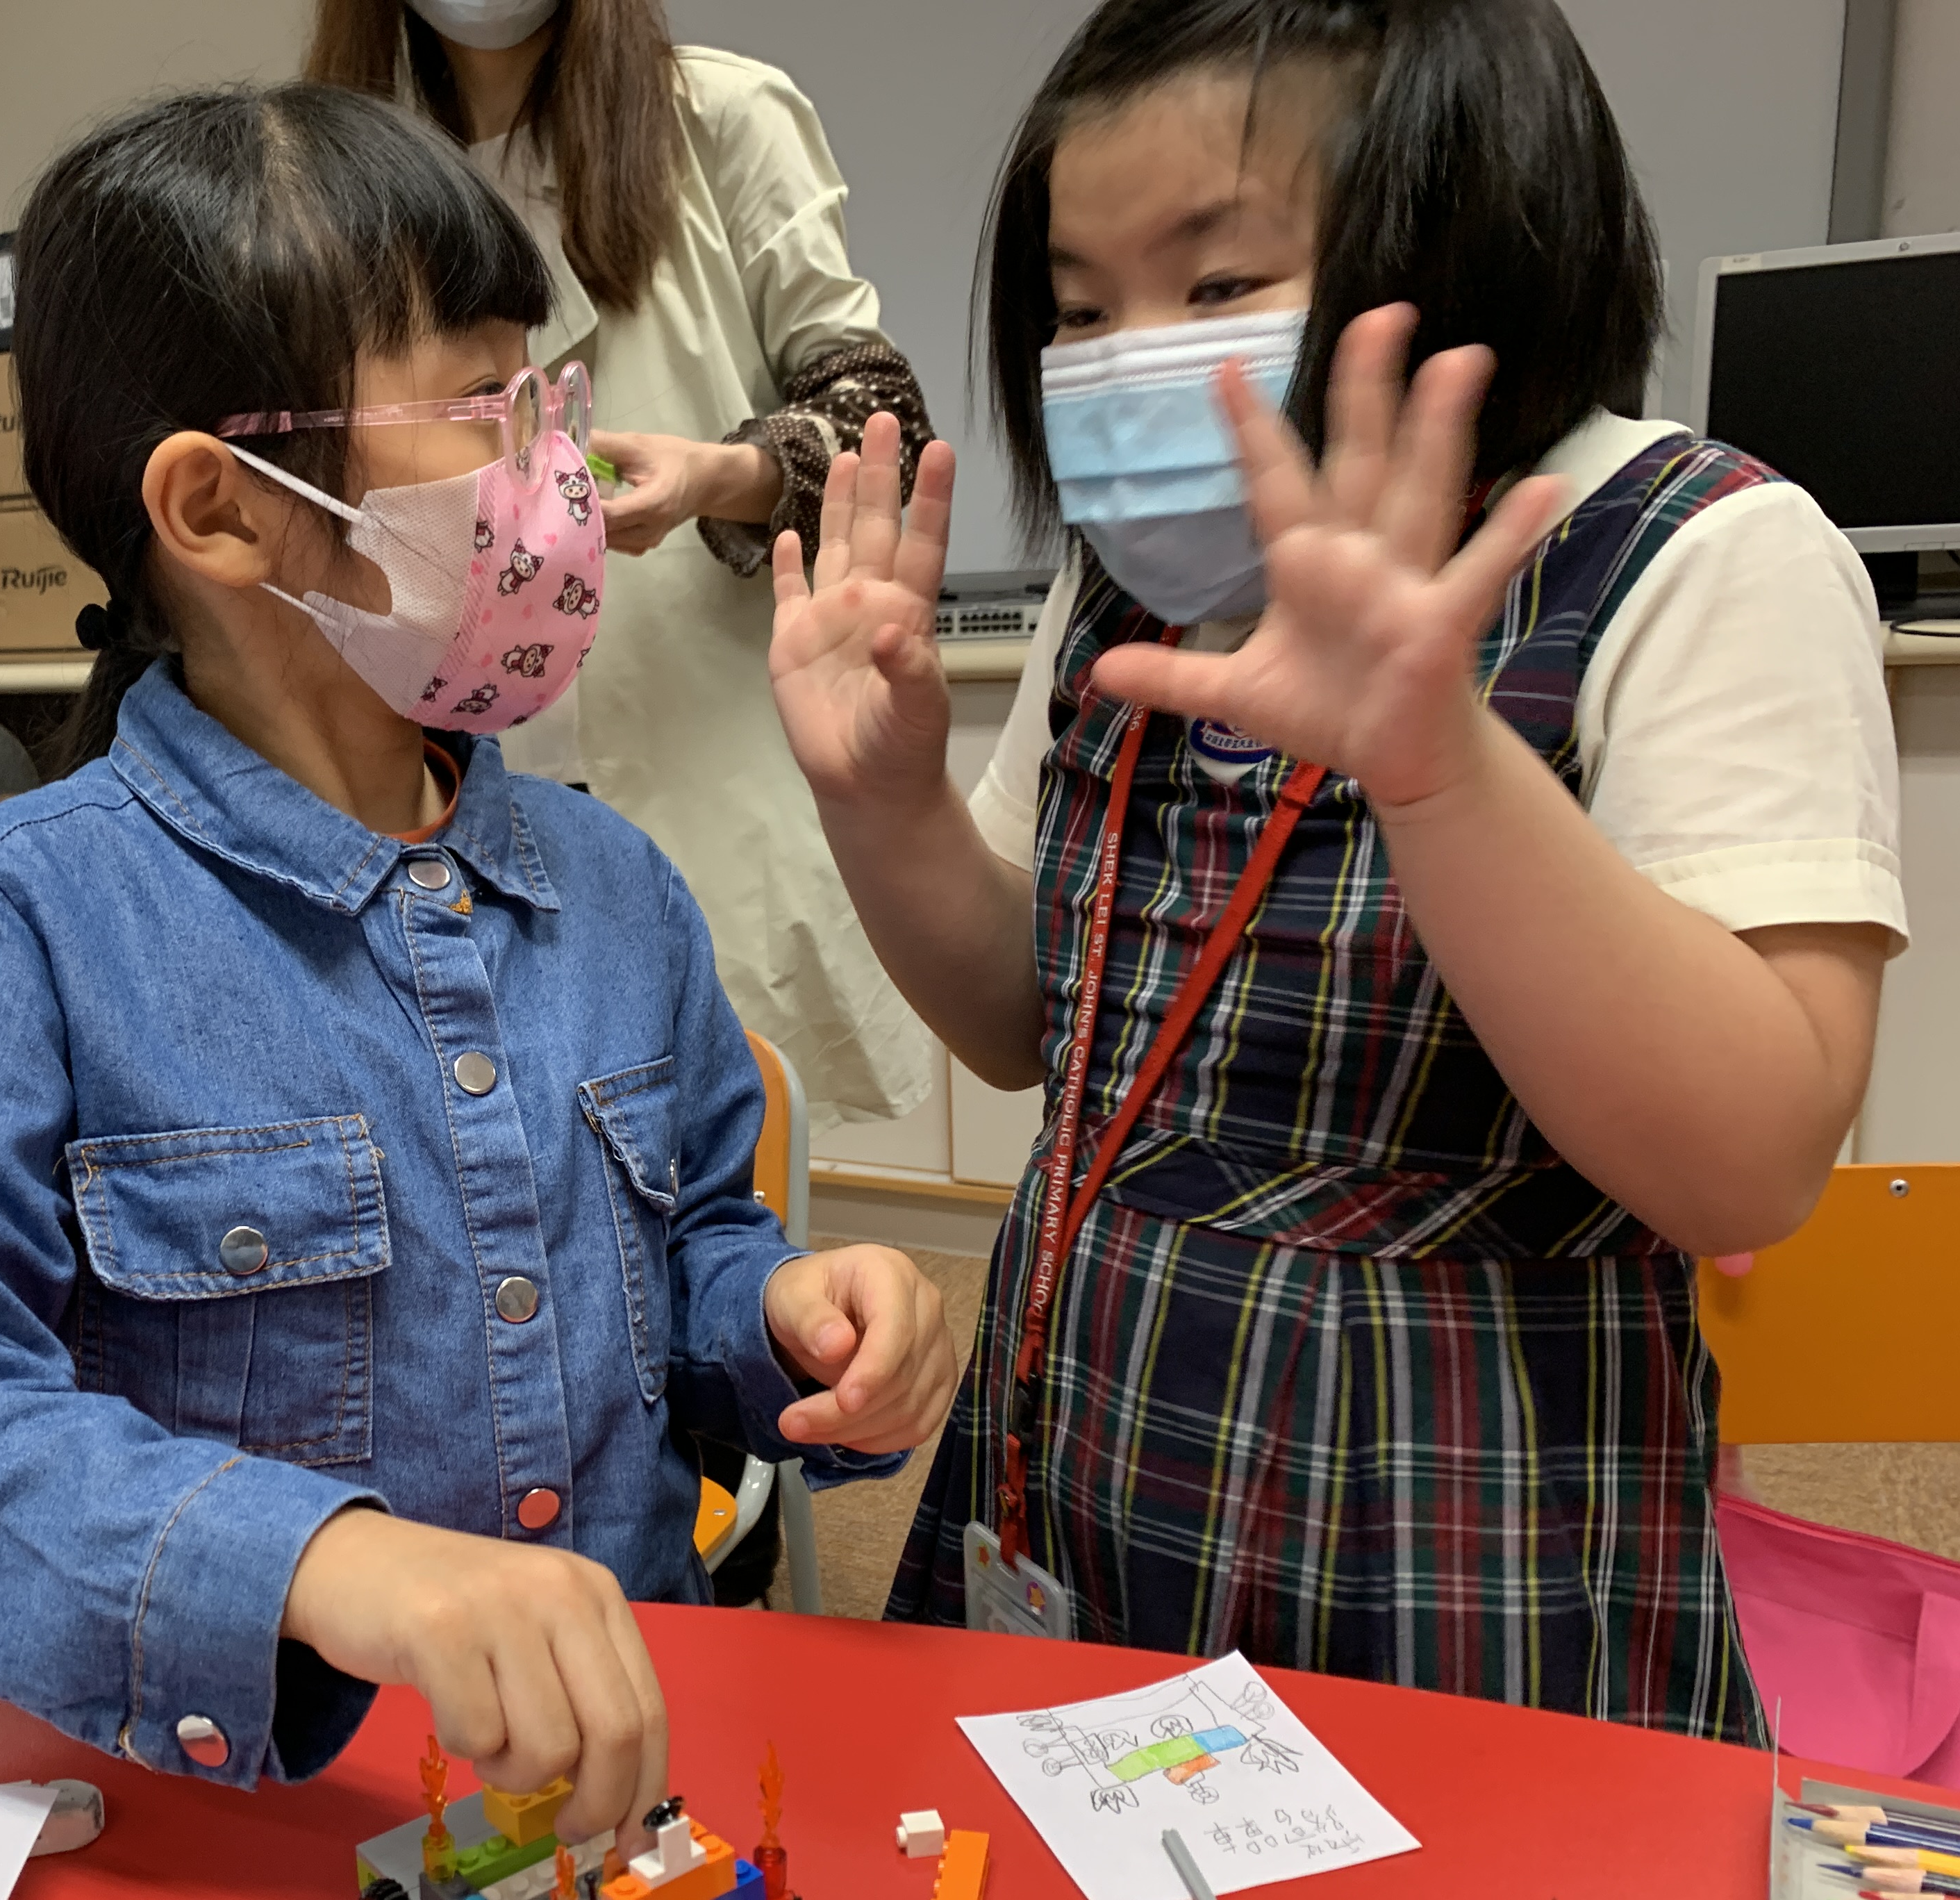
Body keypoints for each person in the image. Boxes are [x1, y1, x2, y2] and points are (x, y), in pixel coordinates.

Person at [0, 83, 955, 1845]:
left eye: (549, 404)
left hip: (623, 1801)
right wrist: (323, 1566)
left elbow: (695, 1249)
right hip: (267, 1827)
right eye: (483, 414)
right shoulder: (13, 925)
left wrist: (787, 1325)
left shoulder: (614, 889)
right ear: (223, 509)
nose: (558, 481)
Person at [765, 0, 1900, 1742]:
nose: (1129, 360)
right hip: (1093, 1457)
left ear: (1466, 233)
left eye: (1217, 282)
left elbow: (1748, 1160)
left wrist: (1443, 770)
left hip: (1460, 1540)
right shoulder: (1134, 592)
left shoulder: (1703, 551)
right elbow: (1019, 1023)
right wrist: (886, 803)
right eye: (1083, 309)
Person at [305, 0, 940, 1129]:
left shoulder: (721, 116)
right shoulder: (330, 162)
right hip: (423, 750)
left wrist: (717, 476)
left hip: (690, 747)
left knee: (720, 1150)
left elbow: (881, 419)